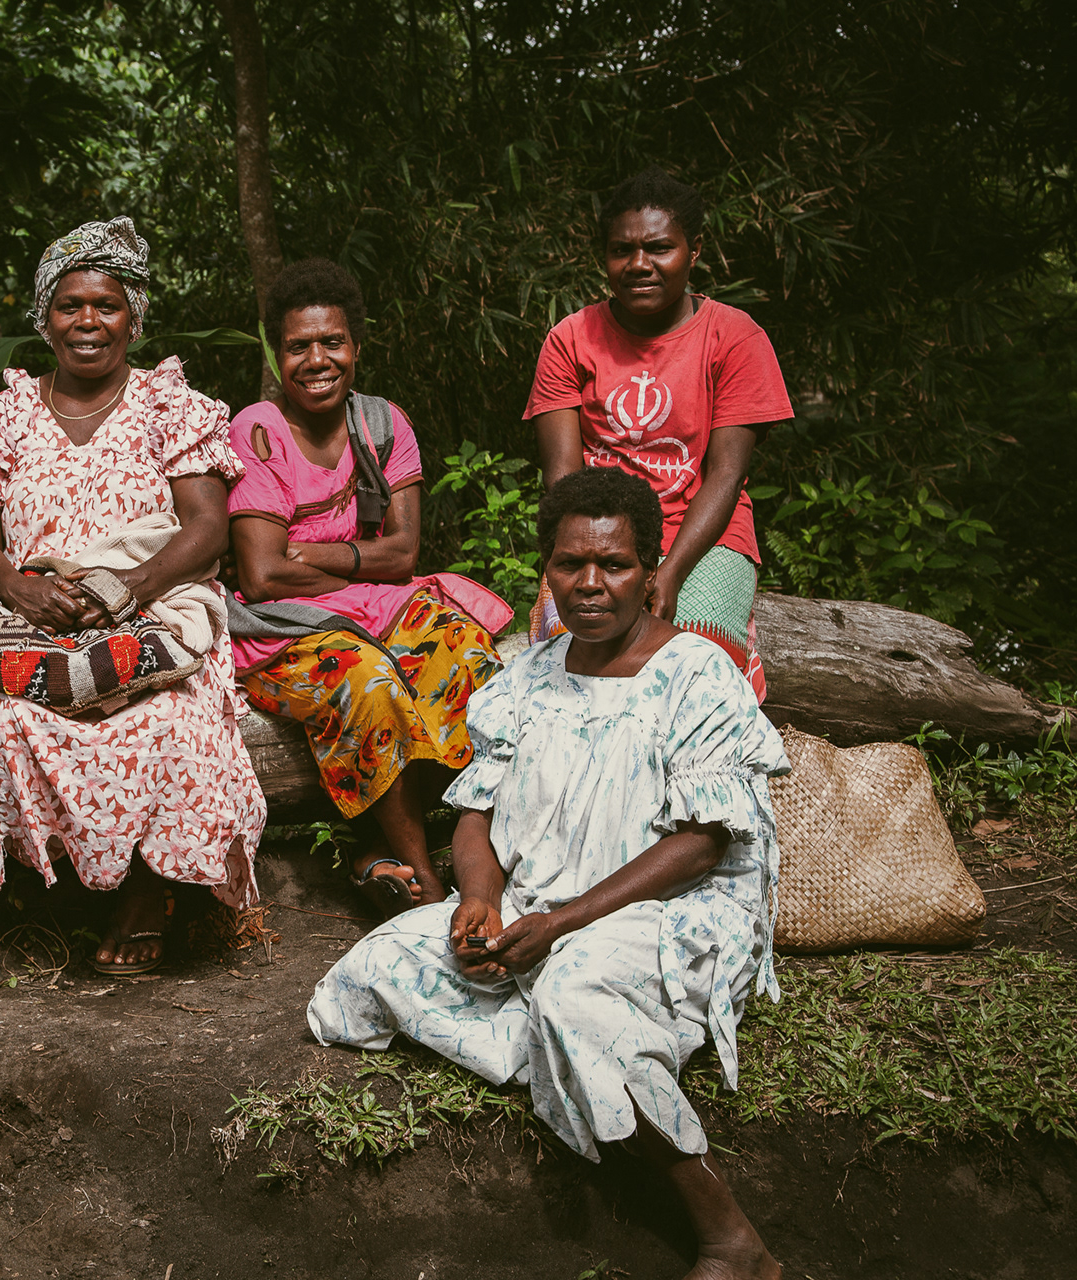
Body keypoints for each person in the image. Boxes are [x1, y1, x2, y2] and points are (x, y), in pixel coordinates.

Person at [310, 467, 789, 1280]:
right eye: (571, 564)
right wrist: (482, 902)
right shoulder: (528, 673)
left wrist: (563, 925)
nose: (591, 584)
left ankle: (731, 1239)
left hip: (668, 908)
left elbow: (704, 845)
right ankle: (574, 1053)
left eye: (615, 565)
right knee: (371, 970)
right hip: (535, 904)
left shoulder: (698, 675)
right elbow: (478, 811)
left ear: (650, 572)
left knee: (573, 997)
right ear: (547, 569)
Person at [0, 216, 266, 988]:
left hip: (151, 609)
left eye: (105, 305)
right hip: (31, 610)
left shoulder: (173, 408)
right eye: (69, 305)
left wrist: (125, 590)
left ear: (134, 317)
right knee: (2, 717)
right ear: (43, 318)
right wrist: (19, 587)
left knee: (175, 719)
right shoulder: (3, 417)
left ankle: (147, 895)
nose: (87, 321)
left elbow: (208, 527)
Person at [228, 258, 511, 916]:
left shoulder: (382, 423)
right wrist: (364, 556)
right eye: (299, 346)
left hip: (379, 606)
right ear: (278, 352)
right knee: (369, 682)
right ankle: (426, 885)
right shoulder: (259, 432)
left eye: (332, 342)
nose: (317, 359)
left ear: (357, 345)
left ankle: (467, 852)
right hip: (280, 634)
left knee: (471, 660)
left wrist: (315, 549)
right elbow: (262, 576)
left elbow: (405, 553)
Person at [526, 167, 793, 699]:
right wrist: (601, 564)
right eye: (621, 250)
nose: (638, 265)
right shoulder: (571, 338)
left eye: (658, 248)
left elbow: (724, 475)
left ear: (694, 251)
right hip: (597, 534)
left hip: (703, 532)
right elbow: (564, 481)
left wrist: (667, 574)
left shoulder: (735, 337)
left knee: (697, 652)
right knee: (568, 651)